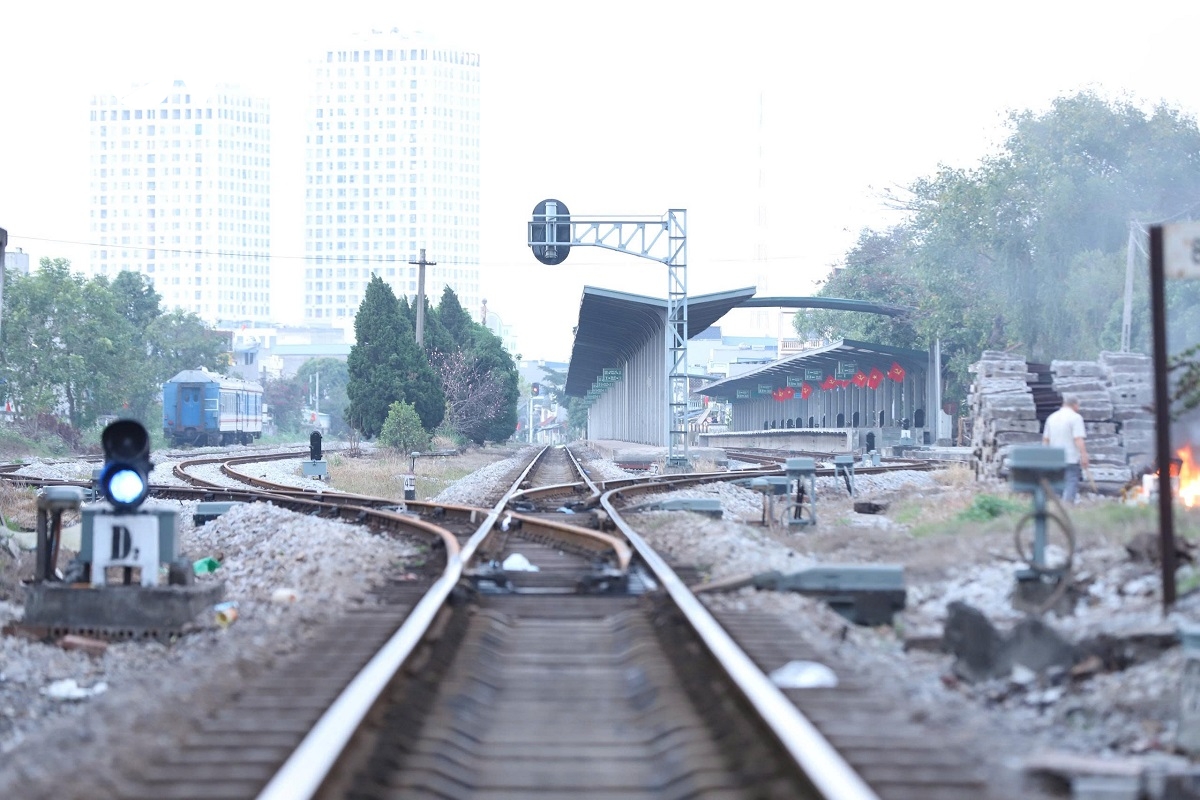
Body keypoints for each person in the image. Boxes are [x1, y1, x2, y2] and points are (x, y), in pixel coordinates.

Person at [1043, 395, 1089, 502]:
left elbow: (1046, 440)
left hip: (1054, 457)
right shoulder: (1075, 418)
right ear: (1075, 405)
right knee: (1071, 481)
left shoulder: (1051, 418)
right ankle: (1068, 505)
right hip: (1070, 457)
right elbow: (1078, 439)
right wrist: (1084, 455)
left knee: (1057, 483)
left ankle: (1055, 505)